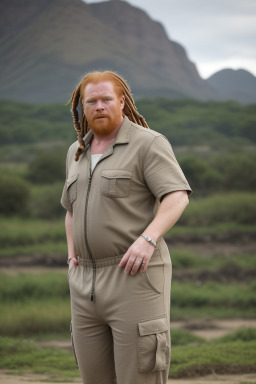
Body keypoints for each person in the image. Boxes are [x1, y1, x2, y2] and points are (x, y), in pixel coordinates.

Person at [61, 71, 192, 384]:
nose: (99, 106)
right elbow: (70, 210)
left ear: (122, 101)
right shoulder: (75, 152)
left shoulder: (148, 143)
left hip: (135, 278)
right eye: (91, 101)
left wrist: (148, 239)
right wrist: (71, 257)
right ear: (82, 108)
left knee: (139, 377)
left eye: (107, 99)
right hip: (84, 284)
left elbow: (176, 196)